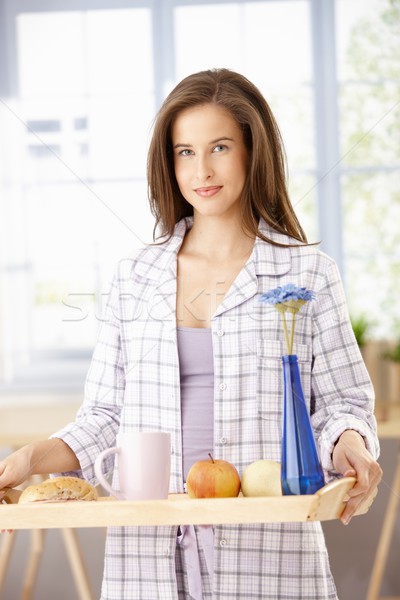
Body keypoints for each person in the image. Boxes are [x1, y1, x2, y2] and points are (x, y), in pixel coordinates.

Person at [0, 68, 382, 600]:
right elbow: (105, 417)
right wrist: (27, 460)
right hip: (148, 556)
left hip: (269, 551)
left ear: (254, 151)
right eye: (184, 151)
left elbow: (341, 404)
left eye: (219, 147)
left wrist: (349, 444)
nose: (201, 169)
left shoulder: (309, 275)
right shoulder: (136, 275)